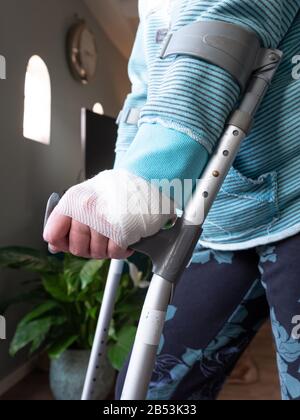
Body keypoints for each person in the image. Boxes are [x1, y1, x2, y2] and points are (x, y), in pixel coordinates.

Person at [44, 0, 300, 400]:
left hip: (294, 201)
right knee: (148, 388)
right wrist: (120, 176)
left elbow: (221, 33)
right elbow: (143, 96)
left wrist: (141, 186)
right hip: (218, 219)